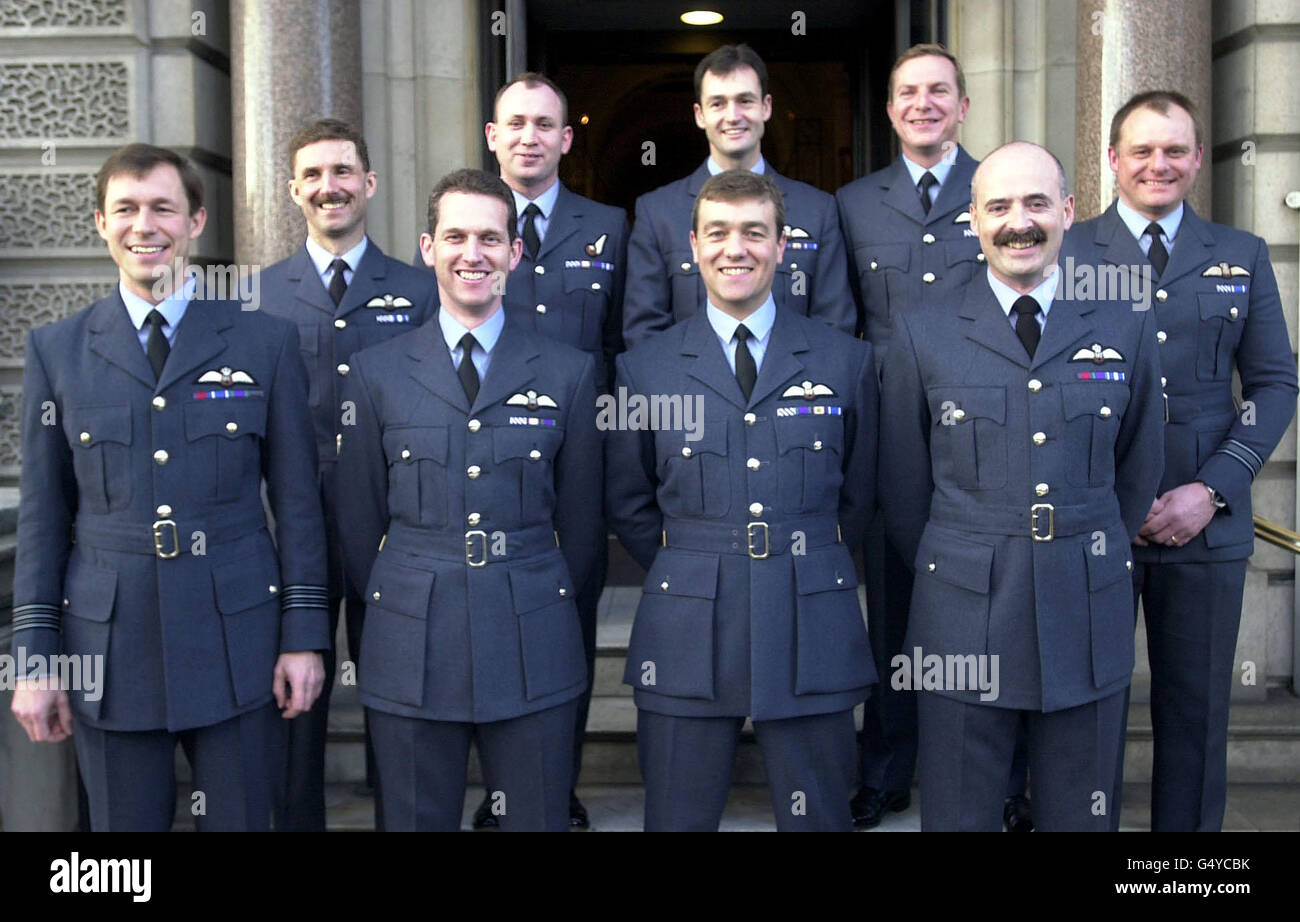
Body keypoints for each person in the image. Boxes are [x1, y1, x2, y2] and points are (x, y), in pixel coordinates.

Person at [9, 143, 329, 831]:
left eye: (162, 207)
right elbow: (42, 518)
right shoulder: (57, 350)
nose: (143, 226)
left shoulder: (263, 341)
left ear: (196, 222)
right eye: (125, 208)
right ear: (100, 222)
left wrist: (304, 635)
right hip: (110, 650)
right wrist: (35, 660)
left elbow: (298, 503)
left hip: (236, 640)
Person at [879, 141, 1165, 831]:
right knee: (959, 808)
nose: (1019, 222)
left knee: (1081, 808)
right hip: (962, 608)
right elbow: (903, 484)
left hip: (1083, 600)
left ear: (1067, 211)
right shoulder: (924, 331)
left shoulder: (1124, 321)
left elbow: (1138, 465)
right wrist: (969, 553)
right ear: (973, 220)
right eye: (999, 206)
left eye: (1037, 203)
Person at [607, 170, 878, 831]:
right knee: (678, 814)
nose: (737, 249)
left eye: (755, 232)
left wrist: (804, 557)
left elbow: (864, 493)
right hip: (687, 621)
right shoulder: (647, 368)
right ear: (693, 247)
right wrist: (695, 563)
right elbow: (629, 498)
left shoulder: (846, 361)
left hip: (810, 610)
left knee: (818, 816)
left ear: (783, 246)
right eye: (719, 233)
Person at [337, 168, 603, 831]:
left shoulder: (569, 372)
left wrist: (543, 598)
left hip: (534, 632)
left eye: (490, 238)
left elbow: (584, 526)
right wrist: (406, 599)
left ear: (516, 253)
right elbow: (357, 521)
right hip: (411, 639)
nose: (472, 254)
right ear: (428, 247)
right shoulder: (376, 373)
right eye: (455, 236)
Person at [1067, 91, 1297, 831]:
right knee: (1085, 709)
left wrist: (1215, 487)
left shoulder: (1240, 254)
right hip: (1095, 522)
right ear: (1111, 160)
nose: (1157, 165)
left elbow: (1274, 383)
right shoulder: (1067, 252)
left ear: (1198, 159)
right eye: (1141, 150)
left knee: (1195, 713)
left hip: (1205, 523)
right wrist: (1108, 499)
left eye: (1174, 150)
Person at [415, 74, 629, 826]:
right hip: (470, 472)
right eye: (516, 123)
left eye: (546, 124)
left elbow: (618, 347)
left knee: (560, 640)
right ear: (492, 135)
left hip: (563, 471)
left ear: (567, 139)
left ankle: (548, 788)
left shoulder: (610, 226)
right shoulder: (461, 226)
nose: (530, 136)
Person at [834, 42, 1020, 829]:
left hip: (990, 439)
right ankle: (886, 766)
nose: (923, 104)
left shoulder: (1003, 190)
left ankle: (1006, 780)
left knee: (999, 613)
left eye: (939, 91)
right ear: (889, 108)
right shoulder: (851, 203)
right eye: (907, 92)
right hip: (893, 441)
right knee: (896, 611)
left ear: (964, 105)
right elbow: (841, 327)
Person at [258, 117, 436, 831]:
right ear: (294, 189)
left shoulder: (420, 291)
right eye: (314, 175)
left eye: (342, 172)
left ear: (369, 182)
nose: (329, 187)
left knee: (397, 699)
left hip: (393, 528)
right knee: (294, 696)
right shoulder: (258, 294)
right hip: (285, 529)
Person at [622, 44, 853, 348]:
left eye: (745, 101)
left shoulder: (817, 210)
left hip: (796, 392)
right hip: (689, 392)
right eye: (718, 103)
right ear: (699, 114)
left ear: (766, 107)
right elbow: (645, 334)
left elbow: (834, 327)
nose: (733, 116)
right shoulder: (658, 213)